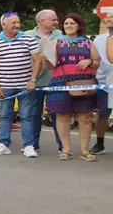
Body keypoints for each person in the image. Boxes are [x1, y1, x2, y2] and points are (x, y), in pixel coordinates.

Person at [44, 13, 101, 161]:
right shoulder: (57, 42)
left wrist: (89, 62)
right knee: (63, 115)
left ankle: (84, 150)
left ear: (79, 25)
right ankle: (65, 150)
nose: (68, 26)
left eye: (72, 23)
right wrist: (46, 58)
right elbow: (51, 65)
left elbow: (97, 62)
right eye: (66, 23)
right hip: (61, 82)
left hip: (85, 82)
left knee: (85, 117)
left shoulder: (88, 42)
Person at [0, 12, 42, 157]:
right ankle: (3, 144)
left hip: (25, 86)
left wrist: (33, 80)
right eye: (13, 23)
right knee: (5, 115)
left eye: (18, 22)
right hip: (4, 86)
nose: (17, 25)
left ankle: (28, 145)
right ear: (3, 25)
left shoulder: (28, 39)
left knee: (26, 115)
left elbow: (38, 60)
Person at [26, 9, 62, 152]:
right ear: (42, 21)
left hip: (55, 81)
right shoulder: (27, 35)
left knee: (57, 113)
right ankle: (33, 144)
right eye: (53, 19)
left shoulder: (60, 35)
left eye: (56, 19)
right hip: (34, 82)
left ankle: (62, 145)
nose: (56, 22)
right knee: (34, 114)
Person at [91, 12, 113, 154]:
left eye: (112, 16)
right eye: (107, 17)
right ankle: (99, 144)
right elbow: (95, 60)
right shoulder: (98, 39)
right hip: (104, 82)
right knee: (103, 114)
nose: (109, 19)